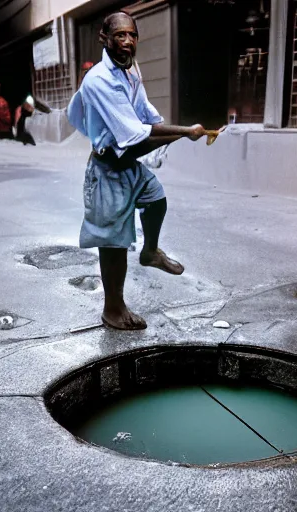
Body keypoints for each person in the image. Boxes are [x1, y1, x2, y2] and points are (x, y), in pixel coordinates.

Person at [67, 12, 218, 331]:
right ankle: (113, 309)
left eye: (132, 35)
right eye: (120, 36)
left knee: (156, 198)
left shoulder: (130, 70)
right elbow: (134, 134)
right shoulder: (99, 80)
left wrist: (178, 130)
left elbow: (148, 115)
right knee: (113, 242)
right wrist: (184, 131)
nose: (127, 42)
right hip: (108, 166)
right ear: (103, 39)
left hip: (128, 162)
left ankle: (150, 252)